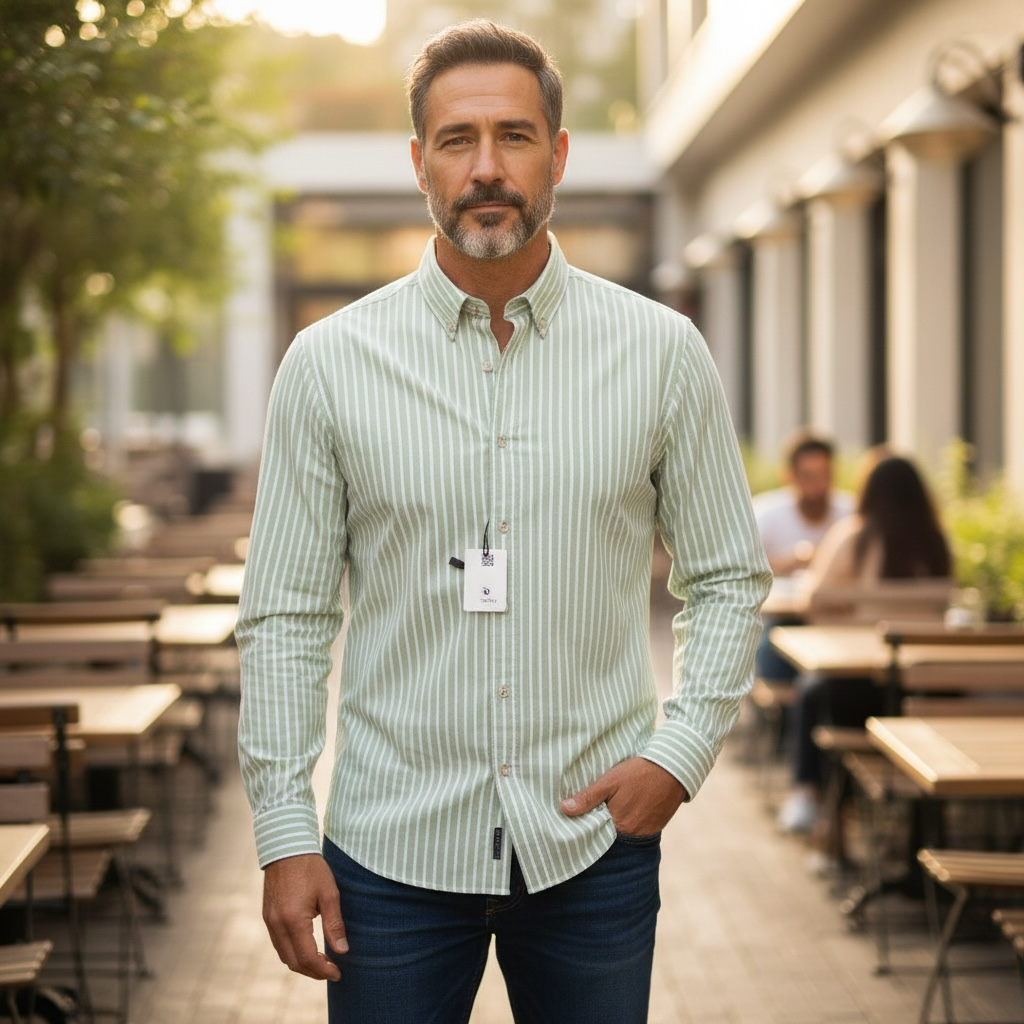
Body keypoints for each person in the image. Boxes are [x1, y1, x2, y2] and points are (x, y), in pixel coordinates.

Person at [236, 20, 771, 1024]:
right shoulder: (327, 364)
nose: (487, 167)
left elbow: (727, 575)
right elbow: (286, 614)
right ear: (418, 164)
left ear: (558, 154)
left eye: (515, 136)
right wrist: (283, 831)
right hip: (385, 858)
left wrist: (681, 751)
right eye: (457, 139)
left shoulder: (662, 353)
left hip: (592, 853)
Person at [775, 454, 953, 834]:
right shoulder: (937, 541)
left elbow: (811, 600)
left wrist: (847, 610)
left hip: (863, 696)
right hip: (931, 696)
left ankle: (810, 797)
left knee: (811, 691)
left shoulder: (855, 537)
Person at [753, 430, 854, 681]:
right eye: (808, 477)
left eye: (824, 476)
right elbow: (743, 570)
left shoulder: (852, 514)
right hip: (779, 624)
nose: (816, 487)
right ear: (789, 476)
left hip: (840, 625)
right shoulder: (764, 514)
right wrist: (790, 561)